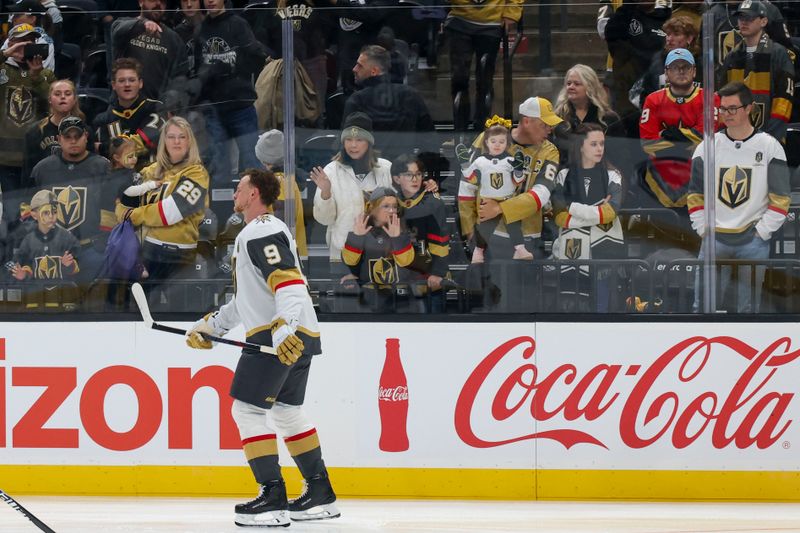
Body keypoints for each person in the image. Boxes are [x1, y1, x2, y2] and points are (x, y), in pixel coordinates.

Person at [184, 168, 339, 527]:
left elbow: (290, 282)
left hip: (277, 337)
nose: (234, 193)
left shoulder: (262, 229)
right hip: (296, 334)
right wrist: (212, 326)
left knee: (247, 411)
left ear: (254, 193)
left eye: (239, 188)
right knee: (286, 412)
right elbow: (249, 300)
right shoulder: (258, 231)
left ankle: (272, 497)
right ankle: (320, 493)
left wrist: (283, 327)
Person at [688, 82, 790, 313]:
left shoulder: (770, 147)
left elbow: (781, 198)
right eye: (723, 109)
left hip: (753, 241)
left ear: (749, 108)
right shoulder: (707, 147)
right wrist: (704, 229)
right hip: (714, 239)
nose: (727, 114)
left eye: (733, 108)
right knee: (703, 307)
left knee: (749, 309)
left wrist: (761, 232)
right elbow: (695, 194)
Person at [118, 116, 209, 282]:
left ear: (190, 142)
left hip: (180, 257)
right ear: (163, 141)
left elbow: (170, 212)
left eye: (182, 137)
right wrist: (125, 210)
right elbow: (121, 201)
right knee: (141, 305)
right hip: (146, 253)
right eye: (171, 137)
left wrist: (133, 214)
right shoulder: (149, 171)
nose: (177, 142)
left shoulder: (197, 174)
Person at [476, 97, 562, 259]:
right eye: (544, 125)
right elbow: (468, 182)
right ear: (527, 121)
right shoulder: (488, 138)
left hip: (528, 236)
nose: (549, 130)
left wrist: (500, 208)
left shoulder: (550, 151)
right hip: (489, 234)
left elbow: (542, 193)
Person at [550, 124, 624, 312]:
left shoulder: (612, 175)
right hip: (573, 249)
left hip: (604, 249)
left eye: (602, 144)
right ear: (580, 146)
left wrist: (572, 206)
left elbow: (610, 212)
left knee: (603, 306)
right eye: (594, 144)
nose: (600, 149)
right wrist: (595, 213)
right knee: (573, 309)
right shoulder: (563, 175)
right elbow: (559, 217)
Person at [193, 0, 267, 187]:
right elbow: (197, 66)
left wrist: (232, 69)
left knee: (251, 161)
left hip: (240, 105)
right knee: (219, 166)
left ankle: (258, 209)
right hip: (214, 107)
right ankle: (222, 211)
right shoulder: (201, 28)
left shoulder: (238, 24)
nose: (210, 1)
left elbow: (257, 57)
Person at [30, 116, 112, 280]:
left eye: (77, 136)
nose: (73, 141)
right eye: (68, 137)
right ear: (59, 139)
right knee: (53, 302)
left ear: (86, 137)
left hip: (91, 249)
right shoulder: (42, 169)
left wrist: (102, 245)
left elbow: (110, 206)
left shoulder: (103, 167)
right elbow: (28, 209)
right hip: (52, 251)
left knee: (93, 303)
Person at [639, 48, 720, 211]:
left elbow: (708, 138)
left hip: (700, 175)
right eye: (675, 67)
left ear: (694, 71)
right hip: (659, 177)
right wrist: (688, 141)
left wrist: (667, 135)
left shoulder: (710, 98)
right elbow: (648, 143)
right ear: (666, 73)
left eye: (686, 67)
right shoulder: (653, 100)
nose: (681, 71)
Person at [311, 112, 393, 268]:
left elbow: (399, 210)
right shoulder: (331, 171)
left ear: (369, 142)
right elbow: (324, 220)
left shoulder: (386, 168)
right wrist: (326, 193)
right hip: (342, 254)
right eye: (348, 139)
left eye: (359, 140)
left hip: (381, 253)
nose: (353, 145)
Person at [719, 0, 795, 142]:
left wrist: (770, 138)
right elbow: (723, 96)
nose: (744, 22)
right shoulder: (732, 56)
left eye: (750, 18)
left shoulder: (778, 53)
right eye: (741, 18)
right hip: (736, 138)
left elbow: (784, 100)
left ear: (763, 21)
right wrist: (728, 135)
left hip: (770, 138)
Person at [457, 115, 529, 263]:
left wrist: (519, 170)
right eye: (493, 141)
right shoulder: (480, 161)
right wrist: (465, 164)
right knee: (484, 228)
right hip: (488, 200)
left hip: (507, 200)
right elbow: (471, 179)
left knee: (514, 225)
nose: (497, 145)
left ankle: (520, 249)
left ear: (507, 143)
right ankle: (478, 252)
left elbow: (517, 181)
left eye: (502, 142)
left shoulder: (510, 160)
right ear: (486, 142)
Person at [342, 44, 434, 157]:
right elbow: (429, 142)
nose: (354, 69)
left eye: (360, 65)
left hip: (369, 170)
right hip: (403, 170)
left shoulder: (357, 100)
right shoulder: (410, 95)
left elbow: (344, 146)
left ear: (374, 71)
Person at [445, 0, 522, 131]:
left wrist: (511, 13)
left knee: (485, 81)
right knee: (459, 79)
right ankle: (459, 132)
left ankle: (481, 129)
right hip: (459, 19)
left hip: (491, 23)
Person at [341, 186, 416, 312]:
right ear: (372, 208)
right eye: (386, 206)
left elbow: (406, 262)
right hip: (368, 298)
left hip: (400, 299)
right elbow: (349, 261)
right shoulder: (362, 230)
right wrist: (356, 237)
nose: (392, 210)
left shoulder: (402, 230)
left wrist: (397, 238)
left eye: (394, 206)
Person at [0, 23, 54, 196]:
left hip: (36, 155)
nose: (26, 47)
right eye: (21, 42)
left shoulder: (45, 74)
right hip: (5, 156)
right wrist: (5, 54)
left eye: (30, 42)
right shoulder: (2, 69)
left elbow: (56, 105)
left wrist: (37, 77)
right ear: (11, 43)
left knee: (37, 211)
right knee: (12, 213)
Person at [392, 154, 451, 313]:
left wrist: (438, 273)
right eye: (409, 175)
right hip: (401, 276)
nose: (415, 179)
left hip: (429, 278)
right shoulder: (392, 203)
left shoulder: (433, 203)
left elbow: (441, 241)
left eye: (418, 174)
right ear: (397, 179)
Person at [111, 0, 189, 108]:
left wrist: (170, 106)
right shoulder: (122, 25)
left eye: (162, 1)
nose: (158, 4)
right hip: (121, 106)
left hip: (155, 110)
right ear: (140, 2)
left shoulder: (174, 39)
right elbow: (117, 30)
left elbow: (179, 78)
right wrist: (142, 24)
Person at [93, 58, 165, 168]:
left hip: (152, 178)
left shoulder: (156, 108)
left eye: (132, 80)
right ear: (113, 85)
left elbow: (146, 142)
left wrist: (105, 148)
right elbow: (104, 157)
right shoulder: (104, 119)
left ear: (140, 83)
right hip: (118, 179)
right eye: (121, 81)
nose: (127, 84)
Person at [552, 64, 626, 165]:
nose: (571, 87)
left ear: (590, 87)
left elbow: (620, 155)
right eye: (568, 83)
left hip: (601, 175)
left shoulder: (609, 118)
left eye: (577, 84)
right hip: (564, 174)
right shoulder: (557, 117)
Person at [254, 129, 307, 260]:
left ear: (263, 159)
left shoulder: (278, 182)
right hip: (290, 251)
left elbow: (281, 217)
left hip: (282, 254)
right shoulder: (287, 179)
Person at [24, 79, 90, 180]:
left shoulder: (85, 130)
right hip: (44, 187)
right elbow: (28, 172)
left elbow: (91, 165)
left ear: (74, 99)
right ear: (50, 99)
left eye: (67, 94)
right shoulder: (35, 132)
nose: (63, 97)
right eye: (57, 94)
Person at [11, 189, 79, 281]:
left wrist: (69, 265)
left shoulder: (66, 237)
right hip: (36, 292)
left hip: (61, 291)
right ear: (34, 215)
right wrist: (24, 274)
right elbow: (21, 264)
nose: (51, 216)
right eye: (46, 212)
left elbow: (78, 265)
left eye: (54, 212)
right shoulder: (28, 240)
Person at [636, 15, 699, 107]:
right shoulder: (657, 61)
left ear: (689, 38)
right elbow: (646, 96)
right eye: (668, 34)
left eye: (676, 34)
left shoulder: (702, 63)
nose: (669, 39)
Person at [1, 0, 62, 72]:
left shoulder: (44, 42)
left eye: (17, 15)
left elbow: (41, 75)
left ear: (32, 19)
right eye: (13, 15)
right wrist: (5, 54)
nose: (13, 18)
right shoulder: (10, 38)